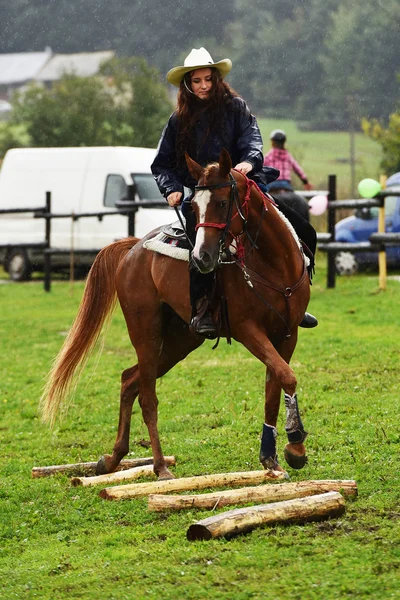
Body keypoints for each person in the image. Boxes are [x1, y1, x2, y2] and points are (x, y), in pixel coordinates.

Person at [151, 48, 317, 338]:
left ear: (216, 80)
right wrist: (172, 189)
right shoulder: (178, 120)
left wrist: (248, 162)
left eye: (207, 79)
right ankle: (202, 309)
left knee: (305, 230)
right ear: (187, 85)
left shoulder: (237, 108)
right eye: (196, 81)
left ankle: (297, 299)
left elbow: (253, 141)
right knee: (199, 248)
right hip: (205, 197)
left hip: (244, 187)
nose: (203, 86)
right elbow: (161, 164)